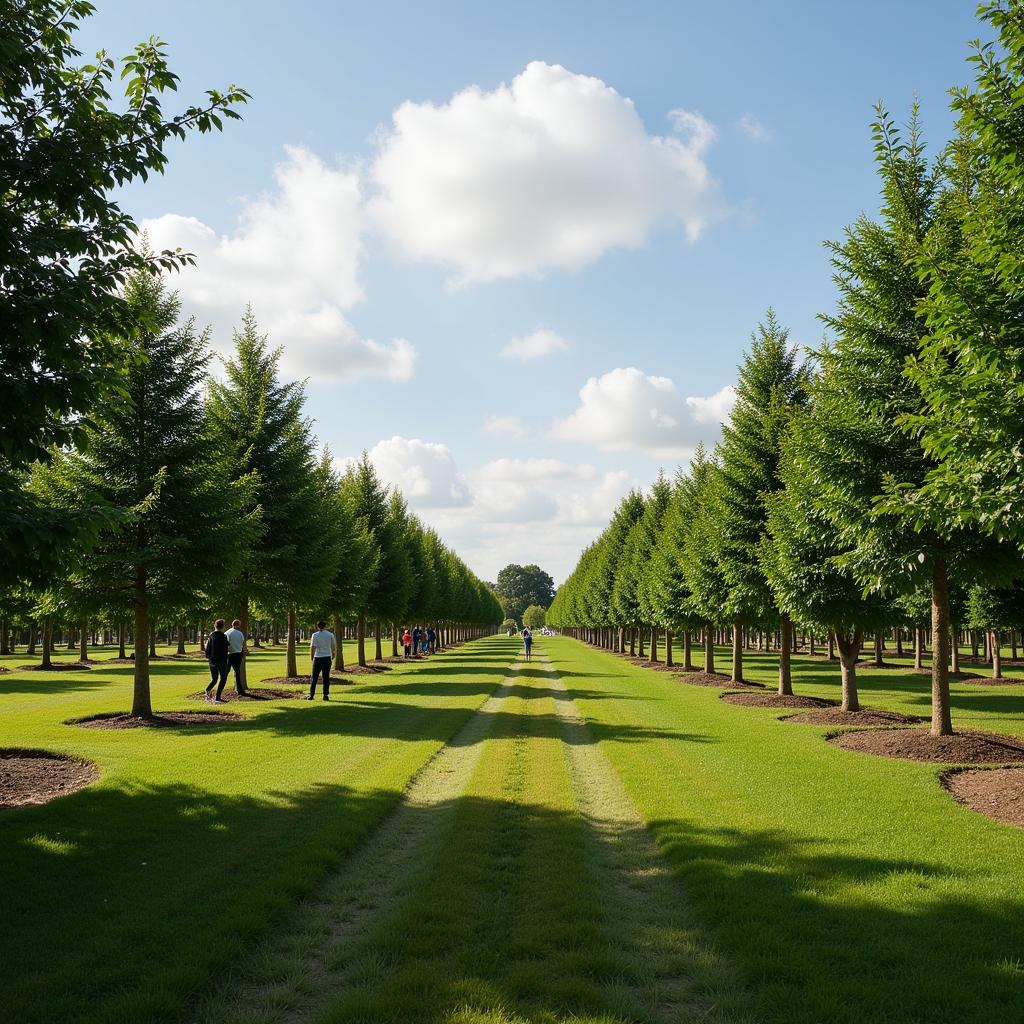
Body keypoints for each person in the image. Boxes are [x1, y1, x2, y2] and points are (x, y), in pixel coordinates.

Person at [305, 619, 336, 701]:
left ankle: (311, 695)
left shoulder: (315, 635)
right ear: (325, 626)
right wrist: (333, 654)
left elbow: (313, 647)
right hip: (327, 657)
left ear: (318, 627)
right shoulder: (330, 635)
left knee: (314, 677)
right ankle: (325, 695)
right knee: (326, 677)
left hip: (318, 657)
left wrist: (312, 656)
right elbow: (333, 646)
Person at [204, 619, 230, 702]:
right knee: (223, 678)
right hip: (221, 660)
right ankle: (218, 696)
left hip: (212, 660)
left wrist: (209, 657)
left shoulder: (210, 636)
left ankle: (208, 690)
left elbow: (207, 649)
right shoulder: (223, 636)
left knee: (214, 679)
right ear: (223, 627)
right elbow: (227, 647)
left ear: (215, 626)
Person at [225, 618, 245, 692]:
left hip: (229, 654)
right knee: (237, 673)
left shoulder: (227, 633)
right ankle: (239, 689)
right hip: (237, 654)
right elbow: (242, 644)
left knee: (225, 673)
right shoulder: (240, 633)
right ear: (238, 625)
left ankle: (220, 689)